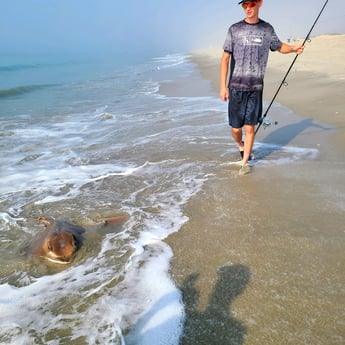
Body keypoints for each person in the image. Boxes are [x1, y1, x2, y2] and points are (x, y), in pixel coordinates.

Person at [219, 0, 304, 174]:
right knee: (236, 129)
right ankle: (239, 144)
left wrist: (294, 49)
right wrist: (223, 86)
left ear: (260, 3)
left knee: (250, 127)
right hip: (235, 86)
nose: (248, 8)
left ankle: (245, 163)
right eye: (244, 5)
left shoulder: (267, 29)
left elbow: (279, 47)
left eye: (251, 4)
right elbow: (225, 59)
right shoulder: (234, 29)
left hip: (256, 87)